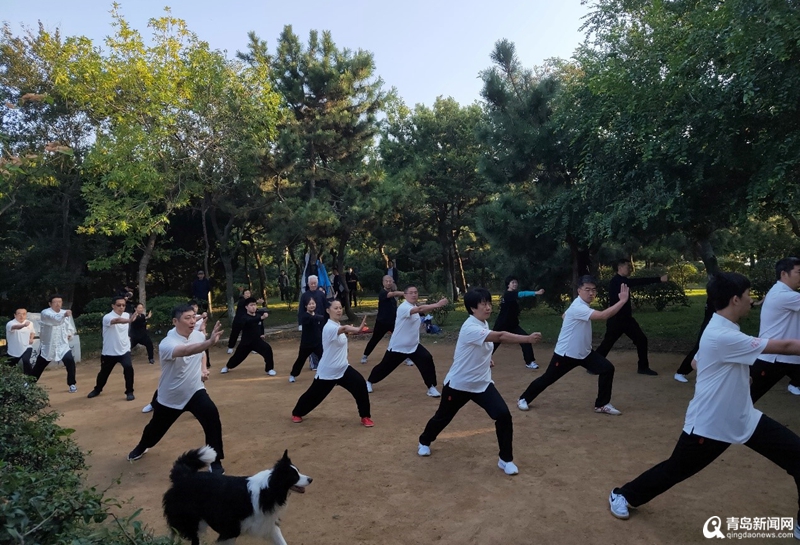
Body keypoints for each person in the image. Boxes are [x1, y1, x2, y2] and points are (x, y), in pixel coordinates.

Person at [608, 272, 800, 535]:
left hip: (744, 417)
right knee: (675, 469)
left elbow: (697, 361)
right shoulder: (723, 335)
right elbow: (786, 346)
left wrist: (731, 378)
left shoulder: (722, 327)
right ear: (735, 299)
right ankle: (623, 495)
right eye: (748, 295)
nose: (752, 300)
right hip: (711, 424)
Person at [417, 288, 541, 475]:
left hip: (482, 384)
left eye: (489, 303)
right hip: (459, 384)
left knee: (503, 416)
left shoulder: (482, 323)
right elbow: (500, 336)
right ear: (472, 308)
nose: (488, 307)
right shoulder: (470, 327)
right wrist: (527, 339)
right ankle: (424, 441)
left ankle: (505, 459)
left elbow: (479, 347)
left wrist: (487, 359)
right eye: (483, 304)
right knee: (443, 417)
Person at [127, 305, 226, 474]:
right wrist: (209, 342)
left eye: (193, 317)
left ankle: (214, 459)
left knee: (212, 418)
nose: (192, 321)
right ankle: (143, 446)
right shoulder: (167, 343)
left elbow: (201, 353)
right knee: (154, 429)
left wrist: (203, 368)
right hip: (171, 396)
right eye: (187, 318)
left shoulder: (198, 335)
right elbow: (186, 351)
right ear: (175, 321)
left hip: (195, 391)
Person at [517, 275, 629, 415]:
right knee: (547, 379)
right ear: (579, 290)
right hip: (566, 354)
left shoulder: (579, 305)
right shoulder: (578, 307)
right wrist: (622, 301)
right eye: (587, 289)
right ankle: (523, 399)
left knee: (607, 369)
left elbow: (564, 315)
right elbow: (602, 316)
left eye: (593, 290)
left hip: (584, 353)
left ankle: (602, 404)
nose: (591, 293)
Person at [291, 300, 372, 426]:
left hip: (343, 368)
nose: (339, 310)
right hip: (328, 371)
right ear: (328, 310)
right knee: (314, 395)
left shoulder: (337, 325)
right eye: (335, 308)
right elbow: (344, 329)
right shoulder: (329, 327)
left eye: (340, 308)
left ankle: (365, 416)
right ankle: (297, 413)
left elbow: (343, 330)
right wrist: (358, 329)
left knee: (360, 385)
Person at [366, 285, 448, 397]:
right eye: (411, 293)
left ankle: (431, 387)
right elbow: (420, 309)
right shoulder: (403, 307)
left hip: (413, 346)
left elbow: (421, 310)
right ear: (405, 295)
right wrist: (438, 305)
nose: (414, 295)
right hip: (399, 346)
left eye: (415, 292)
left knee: (426, 359)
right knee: (384, 367)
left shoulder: (413, 306)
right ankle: (369, 382)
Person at [595, 259, 667, 375]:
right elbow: (638, 281)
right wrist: (658, 279)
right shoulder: (617, 281)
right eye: (627, 267)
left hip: (627, 320)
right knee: (607, 343)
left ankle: (643, 367)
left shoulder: (622, 280)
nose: (629, 269)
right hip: (616, 320)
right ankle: (593, 365)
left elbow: (634, 283)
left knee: (641, 340)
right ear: (620, 267)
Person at [750, 257, 800, 400]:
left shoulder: (778, 291)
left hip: (787, 354)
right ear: (784, 274)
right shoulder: (785, 296)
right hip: (774, 357)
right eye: (799, 272)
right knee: (745, 399)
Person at [87, 295, 137, 401]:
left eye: (123, 305)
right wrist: (129, 320)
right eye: (119, 305)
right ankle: (97, 389)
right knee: (104, 373)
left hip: (124, 350)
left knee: (128, 368)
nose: (121, 307)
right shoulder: (107, 317)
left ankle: (129, 391)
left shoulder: (127, 315)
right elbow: (117, 320)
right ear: (113, 306)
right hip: (109, 352)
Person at [491, 275, 545, 369]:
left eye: (516, 282)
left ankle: (529, 362)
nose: (515, 284)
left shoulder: (511, 295)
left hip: (513, 325)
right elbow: (522, 294)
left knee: (526, 339)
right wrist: (536, 292)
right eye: (513, 282)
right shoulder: (509, 294)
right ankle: (481, 360)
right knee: (493, 343)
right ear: (508, 285)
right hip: (502, 324)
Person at [29, 294, 77, 392]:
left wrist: (69, 334)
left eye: (59, 302)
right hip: (48, 346)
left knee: (70, 362)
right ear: (50, 304)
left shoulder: (65, 313)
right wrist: (64, 315)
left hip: (63, 345)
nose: (58, 304)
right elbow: (55, 320)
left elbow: (70, 327)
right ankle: (29, 383)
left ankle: (72, 384)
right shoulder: (45, 313)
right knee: (39, 366)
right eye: (55, 302)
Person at [220, 298, 274, 375]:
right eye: (251, 305)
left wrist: (262, 333)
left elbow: (261, 324)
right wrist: (261, 318)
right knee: (237, 357)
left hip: (257, 341)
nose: (253, 307)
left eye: (254, 305)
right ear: (246, 307)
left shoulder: (258, 315)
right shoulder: (244, 317)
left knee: (267, 349)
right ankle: (228, 366)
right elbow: (249, 321)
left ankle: (269, 369)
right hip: (246, 342)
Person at [361, 275, 404, 364]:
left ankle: (406, 357)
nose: (388, 283)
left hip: (393, 322)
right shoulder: (383, 293)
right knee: (375, 339)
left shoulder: (393, 295)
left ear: (392, 282)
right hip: (381, 322)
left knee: (400, 339)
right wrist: (406, 293)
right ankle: (365, 355)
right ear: (383, 282)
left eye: (390, 281)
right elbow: (393, 294)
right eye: (386, 281)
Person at [673, 297, 714, 383]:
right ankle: (681, 372)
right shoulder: (716, 296)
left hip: (715, 325)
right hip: (709, 326)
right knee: (699, 348)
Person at [289, 298, 326, 383]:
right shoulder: (305, 316)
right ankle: (293, 374)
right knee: (301, 359)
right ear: (306, 306)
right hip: (306, 344)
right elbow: (313, 318)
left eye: (313, 303)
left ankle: (326, 375)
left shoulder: (316, 315)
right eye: (309, 304)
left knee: (324, 358)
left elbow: (320, 324)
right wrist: (323, 317)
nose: (312, 305)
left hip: (317, 343)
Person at [226, 288, 263, 355]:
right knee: (234, 334)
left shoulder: (250, 304)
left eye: (249, 293)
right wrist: (257, 301)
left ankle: (253, 347)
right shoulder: (241, 300)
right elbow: (246, 303)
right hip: (238, 320)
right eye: (246, 293)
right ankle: (230, 347)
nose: (248, 295)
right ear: (243, 295)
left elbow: (253, 308)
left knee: (251, 334)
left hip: (247, 321)